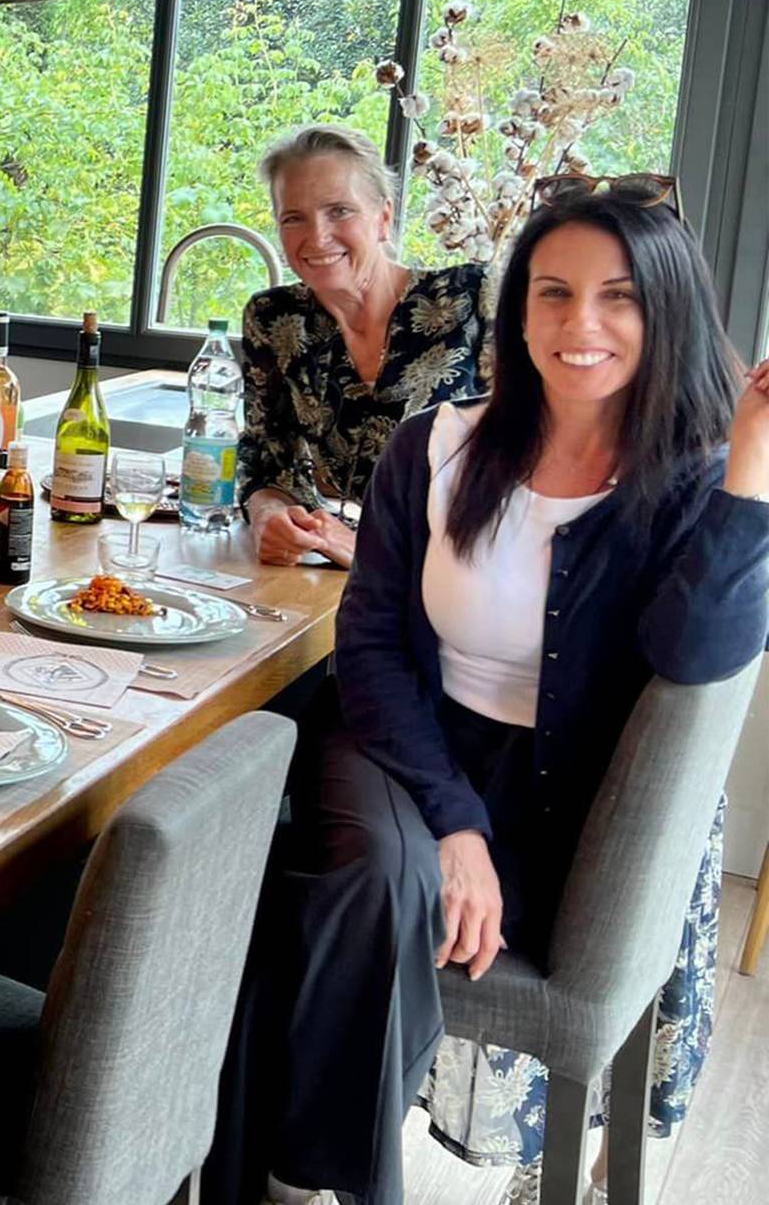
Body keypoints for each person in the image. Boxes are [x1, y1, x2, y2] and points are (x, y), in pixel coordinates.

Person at [217, 177, 769, 1205]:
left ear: (669, 311)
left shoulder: (693, 481)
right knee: (374, 874)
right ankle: (314, 1184)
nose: (581, 325)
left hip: (567, 797)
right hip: (403, 740)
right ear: (517, 312)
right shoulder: (437, 445)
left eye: (620, 298)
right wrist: (457, 829)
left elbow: (697, 657)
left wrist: (754, 464)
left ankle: (288, 1166)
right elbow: (371, 645)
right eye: (551, 294)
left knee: (350, 897)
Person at [241, 124, 490, 569]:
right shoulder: (276, 319)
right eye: (293, 217)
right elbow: (265, 460)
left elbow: (524, 481)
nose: (316, 237)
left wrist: (364, 551)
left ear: (384, 218)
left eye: (339, 211)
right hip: (343, 585)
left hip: (457, 585)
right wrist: (271, 517)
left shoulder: (472, 300)